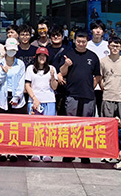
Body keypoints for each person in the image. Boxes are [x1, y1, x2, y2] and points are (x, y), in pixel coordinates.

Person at [58, 31, 101, 164]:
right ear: (74, 41)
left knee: (86, 126)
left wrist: (90, 87)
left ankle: (84, 153)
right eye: (78, 41)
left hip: (88, 96)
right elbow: (62, 73)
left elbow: (97, 76)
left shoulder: (93, 56)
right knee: (71, 126)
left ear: (87, 41)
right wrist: (66, 64)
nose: (81, 44)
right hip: (72, 95)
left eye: (83, 42)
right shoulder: (68, 54)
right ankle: (69, 152)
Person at [99, 36, 121, 163]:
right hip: (108, 97)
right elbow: (100, 79)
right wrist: (106, 89)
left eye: (117, 46)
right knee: (107, 126)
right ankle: (107, 152)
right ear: (108, 46)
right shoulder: (103, 61)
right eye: (112, 46)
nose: (115, 48)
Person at [0, 38, 27, 162]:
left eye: (14, 50)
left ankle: (14, 150)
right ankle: (3, 150)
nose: (11, 52)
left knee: (15, 125)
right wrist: (3, 73)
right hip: (2, 98)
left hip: (16, 98)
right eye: (9, 50)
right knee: (3, 125)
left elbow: (21, 82)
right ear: (5, 49)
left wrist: (16, 97)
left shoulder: (20, 64)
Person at [26, 47, 58, 162]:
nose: (42, 58)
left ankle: (47, 152)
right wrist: (34, 98)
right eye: (40, 55)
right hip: (34, 102)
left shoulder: (52, 69)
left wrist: (53, 77)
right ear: (36, 57)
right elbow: (27, 85)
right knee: (35, 128)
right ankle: (35, 152)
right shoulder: (30, 68)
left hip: (49, 100)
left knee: (48, 128)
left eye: (44, 56)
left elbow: (54, 87)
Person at [87, 20, 110, 117]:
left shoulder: (108, 45)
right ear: (91, 30)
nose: (97, 31)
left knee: (102, 112)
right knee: (89, 112)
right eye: (95, 28)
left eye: (100, 29)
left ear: (103, 32)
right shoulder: (87, 45)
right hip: (89, 83)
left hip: (104, 84)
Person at [46, 26, 70, 115]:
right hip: (48, 83)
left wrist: (61, 75)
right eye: (53, 35)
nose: (56, 37)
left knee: (63, 111)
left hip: (64, 84)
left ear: (62, 37)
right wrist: (56, 76)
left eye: (58, 35)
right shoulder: (46, 50)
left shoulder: (68, 49)